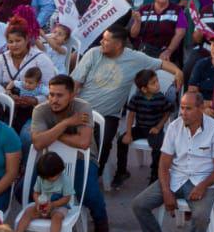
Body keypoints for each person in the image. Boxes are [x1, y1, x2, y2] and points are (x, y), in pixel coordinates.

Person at [73, 25, 183, 196]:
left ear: (118, 45)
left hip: (108, 114)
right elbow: (75, 84)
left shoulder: (135, 58)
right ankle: (74, 177)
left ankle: (91, 179)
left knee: (103, 141)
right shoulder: (93, 54)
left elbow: (161, 64)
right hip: (82, 110)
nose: (101, 42)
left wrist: (178, 72)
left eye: (106, 40)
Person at [129, 89, 214, 232]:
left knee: (201, 218)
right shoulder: (174, 127)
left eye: (188, 108)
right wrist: (166, 190)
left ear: (201, 108)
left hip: (203, 181)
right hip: (176, 177)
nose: (183, 112)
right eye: (181, 107)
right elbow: (163, 163)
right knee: (139, 205)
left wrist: (202, 186)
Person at [28, 74, 109, 232]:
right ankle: (55, 213)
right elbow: (38, 143)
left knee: (88, 194)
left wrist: (51, 135)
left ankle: (100, 219)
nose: (54, 100)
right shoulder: (40, 110)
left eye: (60, 95)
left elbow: (83, 143)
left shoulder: (82, 108)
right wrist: (66, 123)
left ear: (72, 96)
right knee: (23, 190)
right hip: (49, 160)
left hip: (82, 159)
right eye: (51, 94)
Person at [12, 150, 73, 232]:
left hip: (58, 206)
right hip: (43, 205)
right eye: (46, 178)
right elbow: (35, 192)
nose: (48, 180)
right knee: (28, 211)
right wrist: (37, 202)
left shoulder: (65, 180)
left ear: (59, 171)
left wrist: (52, 205)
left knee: (57, 218)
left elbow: (67, 198)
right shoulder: (41, 178)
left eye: (51, 178)